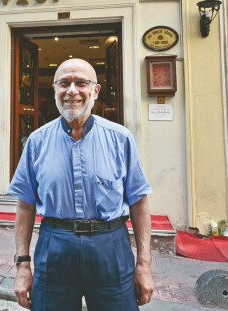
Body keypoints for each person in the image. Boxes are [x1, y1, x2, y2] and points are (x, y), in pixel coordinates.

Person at [8, 58, 154, 310]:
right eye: (64, 83)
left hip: (111, 247)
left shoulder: (121, 138)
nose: (72, 91)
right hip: (55, 247)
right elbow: (25, 207)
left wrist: (144, 264)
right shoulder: (36, 142)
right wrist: (22, 265)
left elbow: (139, 203)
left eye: (81, 83)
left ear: (95, 91)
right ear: (55, 90)